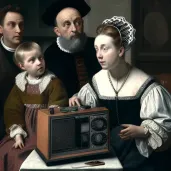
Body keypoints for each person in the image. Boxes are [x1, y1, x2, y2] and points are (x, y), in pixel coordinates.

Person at [69, 16, 171, 171]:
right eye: (96, 49)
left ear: (121, 50)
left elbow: (165, 125)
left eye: (105, 48)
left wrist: (142, 131)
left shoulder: (146, 84)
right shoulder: (97, 80)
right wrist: (76, 99)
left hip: (138, 154)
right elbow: (86, 111)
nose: (99, 55)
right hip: (107, 150)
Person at [0, 42, 68, 171]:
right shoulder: (20, 84)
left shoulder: (53, 82)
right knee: (8, 152)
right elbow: (12, 110)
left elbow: (58, 104)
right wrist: (18, 134)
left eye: (40, 58)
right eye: (32, 60)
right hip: (26, 130)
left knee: (35, 157)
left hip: (45, 129)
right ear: (22, 66)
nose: (39, 62)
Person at [42, 0, 101, 98]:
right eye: (67, 24)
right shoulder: (50, 54)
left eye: (78, 22)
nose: (74, 29)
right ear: (57, 31)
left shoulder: (98, 45)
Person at [0, 4, 24, 140]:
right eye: (12, 25)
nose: (18, 30)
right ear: (1, 29)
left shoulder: (32, 53)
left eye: (21, 25)